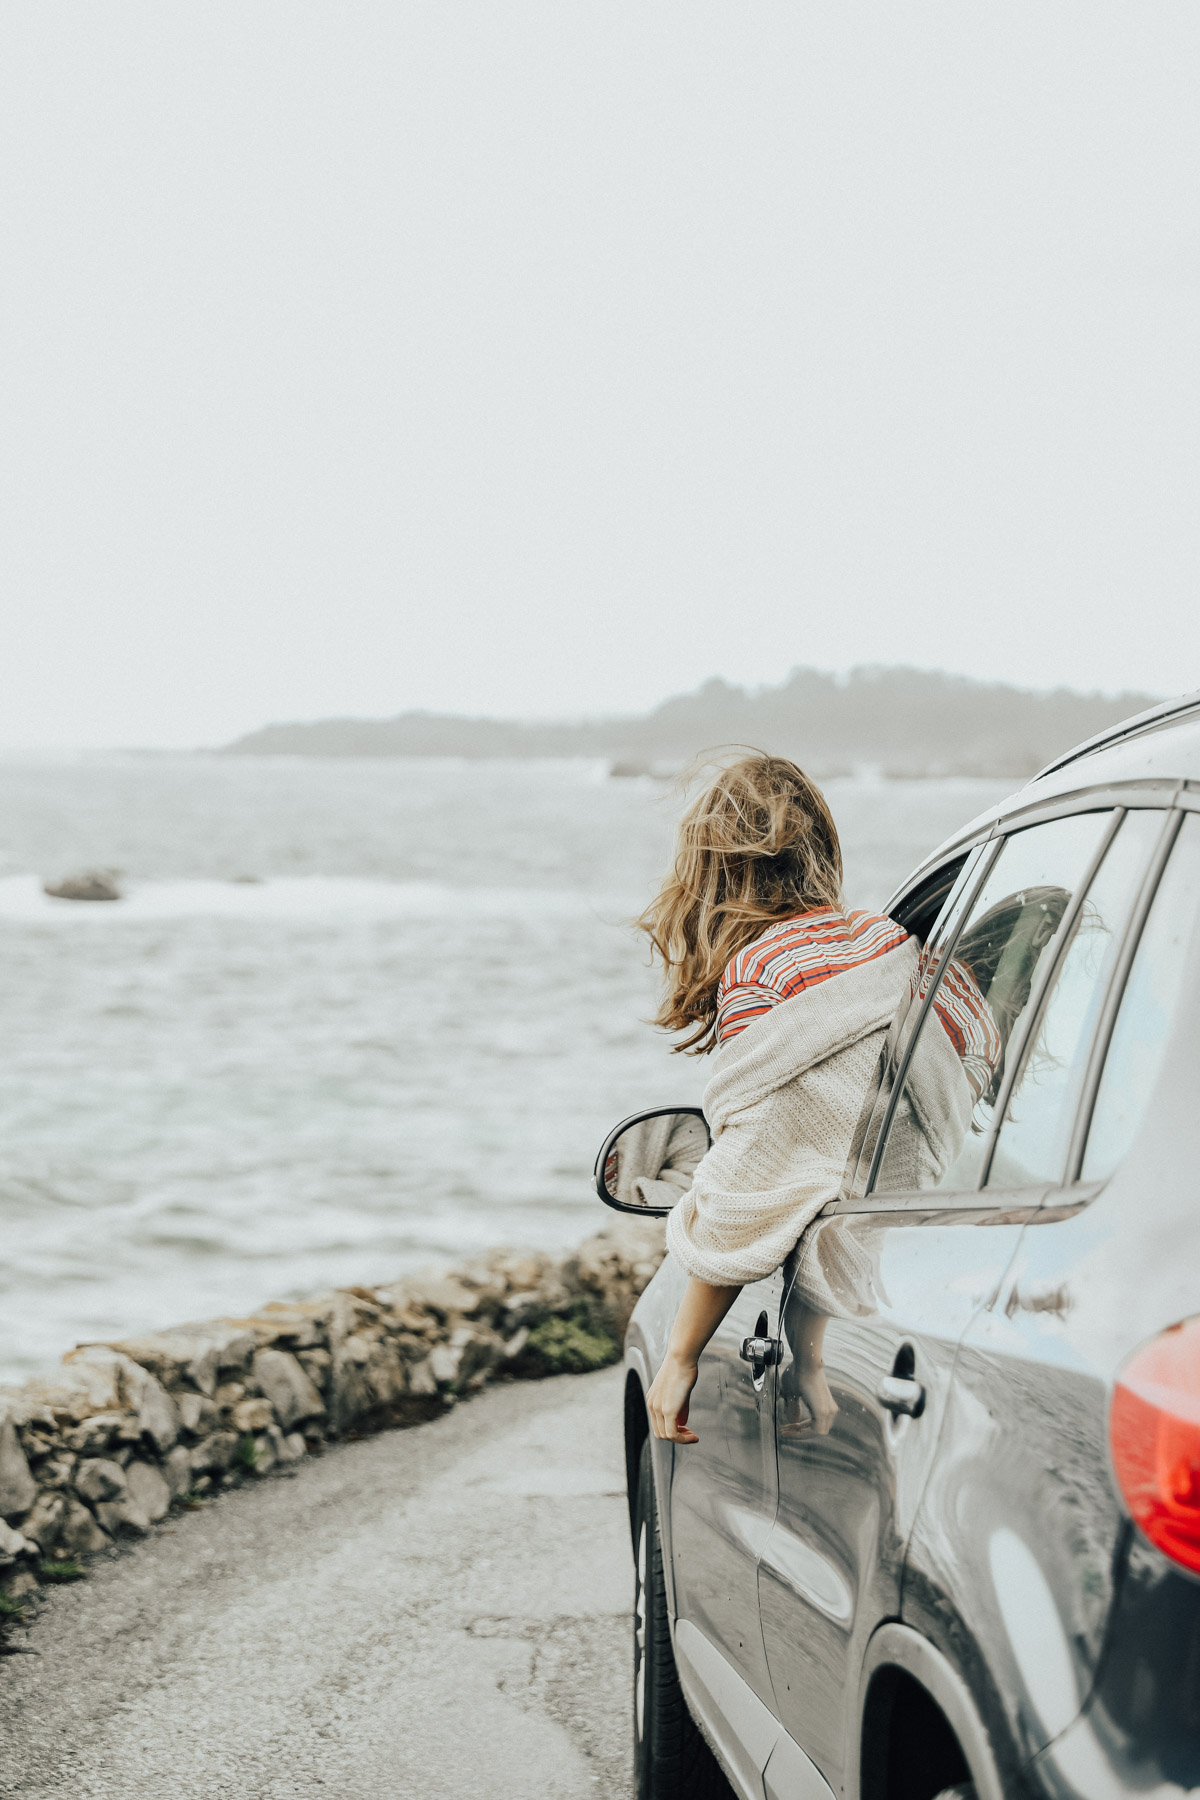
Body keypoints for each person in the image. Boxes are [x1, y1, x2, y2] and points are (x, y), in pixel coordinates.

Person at [637, 752, 919, 1445]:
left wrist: (678, 1357)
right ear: (822, 847)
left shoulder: (764, 970)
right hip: (917, 1273)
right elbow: (852, 1168)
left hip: (883, 1312)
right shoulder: (896, 949)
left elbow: (757, 1184)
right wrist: (811, 1352)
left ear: (711, 875)